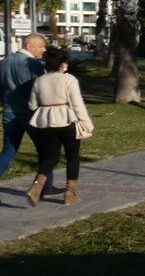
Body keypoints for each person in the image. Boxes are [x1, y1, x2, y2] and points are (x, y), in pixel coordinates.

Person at [0, 33, 46, 205]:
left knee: (8, 151)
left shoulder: (4, 63)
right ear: (29, 46)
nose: (44, 50)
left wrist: (6, 102)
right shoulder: (34, 65)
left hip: (9, 112)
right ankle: (45, 186)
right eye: (41, 46)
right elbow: (41, 90)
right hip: (31, 114)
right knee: (45, 151)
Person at [25, 47, 94, 206]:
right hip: (67, 120)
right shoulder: (69, 79)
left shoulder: (39, 80)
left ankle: (36, 187)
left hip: (46, 122)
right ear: (63, 64)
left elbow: (32, 104)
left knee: (52, 156)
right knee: (72, 156)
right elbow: (78, 104)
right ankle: (70, 194)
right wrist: (87, 124)